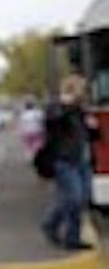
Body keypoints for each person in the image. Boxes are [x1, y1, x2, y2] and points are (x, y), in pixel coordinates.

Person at [41, 75, 99, 250]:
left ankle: (52, 225)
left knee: (81, 198)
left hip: (84, 160)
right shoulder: (56, 107)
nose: (84, 92)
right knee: (74, 198)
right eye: (81, 89)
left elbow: (91, 136)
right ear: (71, 89)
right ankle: (69, 237)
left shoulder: (81, 110)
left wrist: (93, 128)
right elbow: (52, 123)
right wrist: (66, 105)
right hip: (65, 160)